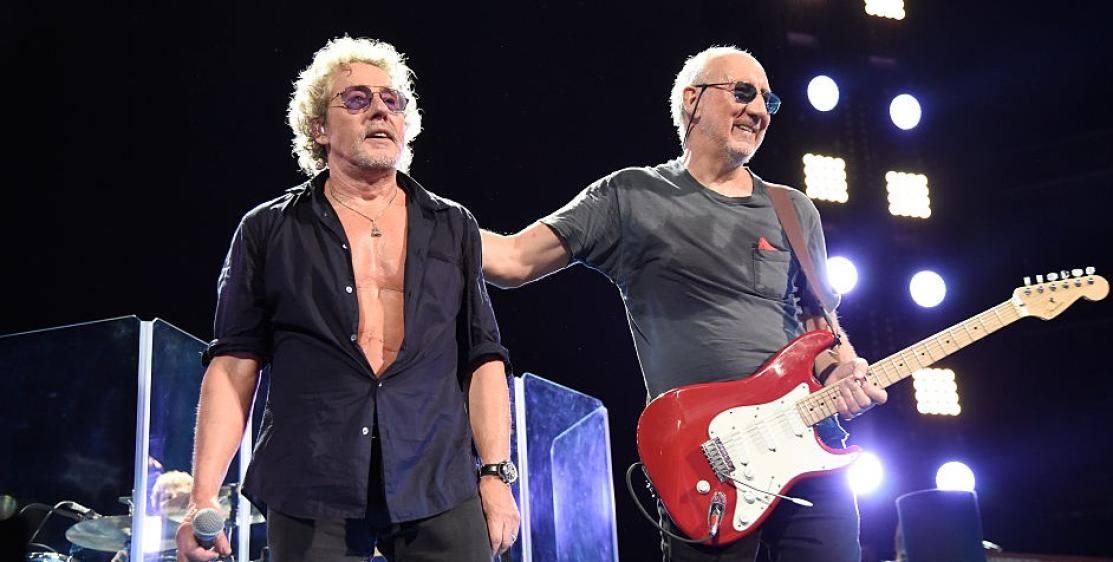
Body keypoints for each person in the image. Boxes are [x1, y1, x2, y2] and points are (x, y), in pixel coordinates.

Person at [480, 46, 887, 561]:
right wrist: (418, 218)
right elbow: (514, 259)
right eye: (743, 92)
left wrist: (843, 369)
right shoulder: (632, 195)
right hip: (707, 463)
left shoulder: (794, 209)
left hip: (810, 448)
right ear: (692, 100)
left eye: (768, 100)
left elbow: (818, 325)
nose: (758, 111)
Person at [175, 36, 519, 562]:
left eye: (391, 100)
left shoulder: (452, 225)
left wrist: (495, 473)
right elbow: (234, 364)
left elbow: (483, 356)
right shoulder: (268, 229)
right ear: (319, 127)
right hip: (312, 478)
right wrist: (202, 498)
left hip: (436, 478)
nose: (379, 110)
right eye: (357, 99)